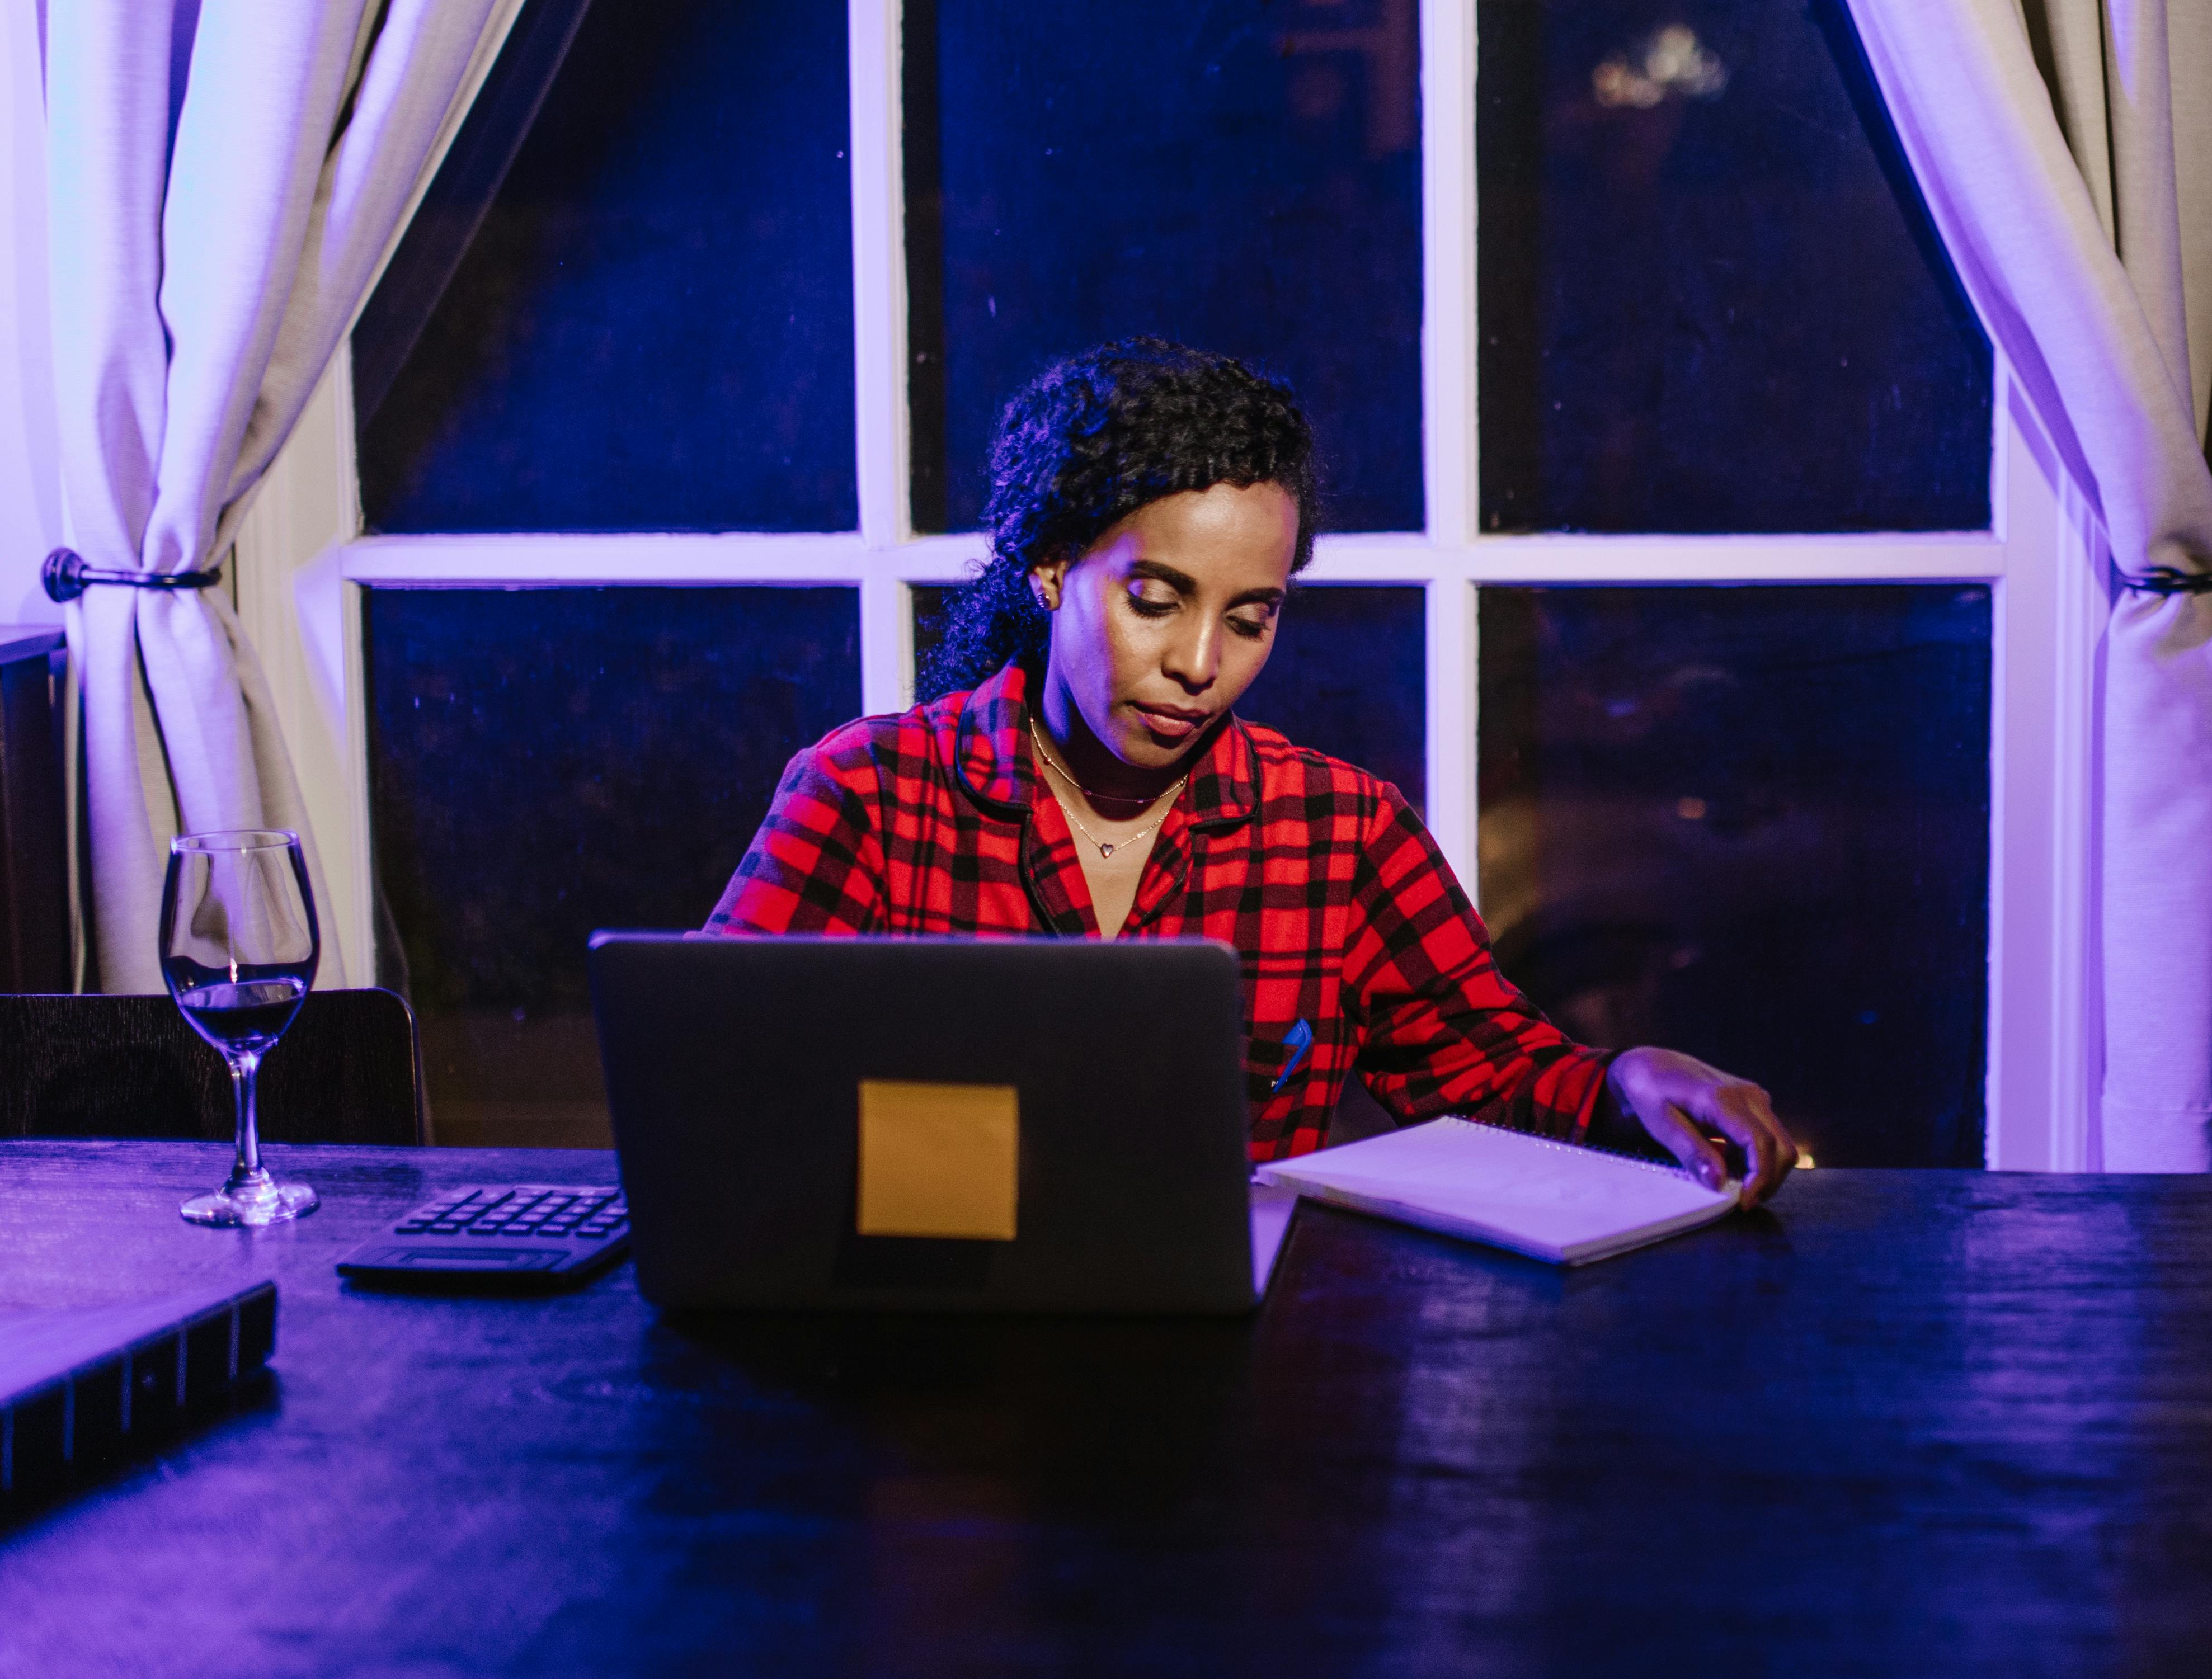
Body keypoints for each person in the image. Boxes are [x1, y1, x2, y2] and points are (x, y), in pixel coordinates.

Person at [710, 338, 1799, 1204]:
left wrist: (1623, 1079)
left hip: (1237, 1377)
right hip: (916, 1346)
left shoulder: (1342, 829)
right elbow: (715, 1084)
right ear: (1048, 566)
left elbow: (1497, 1071)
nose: (1198, 666)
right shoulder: (867, 792)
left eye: (1250, 616)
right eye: (1155, 600)